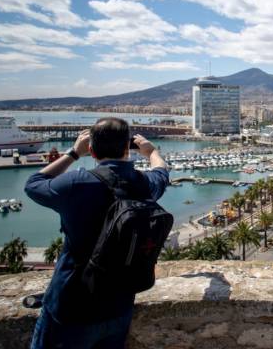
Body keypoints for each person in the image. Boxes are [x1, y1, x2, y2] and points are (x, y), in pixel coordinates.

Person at [25, 117, 169, 349]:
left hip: (72, 305)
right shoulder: (143, 184)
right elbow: (161, 173)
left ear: (90, 150)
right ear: (127, 148)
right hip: (119, 305)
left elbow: (34, 184)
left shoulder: (75, 184)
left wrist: (73, 153)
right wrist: (151, 151)